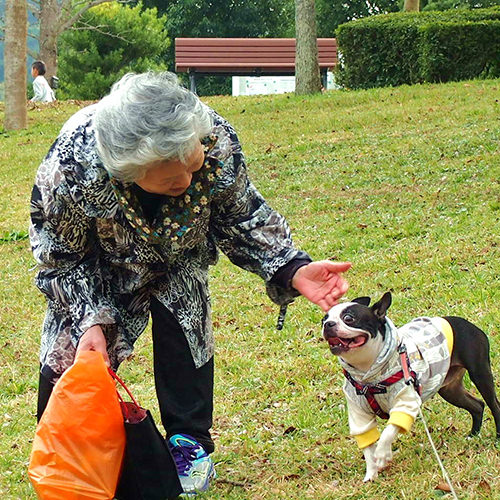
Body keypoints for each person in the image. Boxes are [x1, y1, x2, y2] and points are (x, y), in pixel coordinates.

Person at [29, 71, 350, 496]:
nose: (185, 182)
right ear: (129, 173)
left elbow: (241, 216)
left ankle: (189, 444)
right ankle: (76, 458)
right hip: (98, 268)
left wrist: (291, 267)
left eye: (192, 164)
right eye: (169, 179)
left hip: (179, 257)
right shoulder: (71, 167)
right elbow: (60, 257)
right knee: (71, 367)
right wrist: (90, 321)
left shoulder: (213, 138)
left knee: (186, 338)